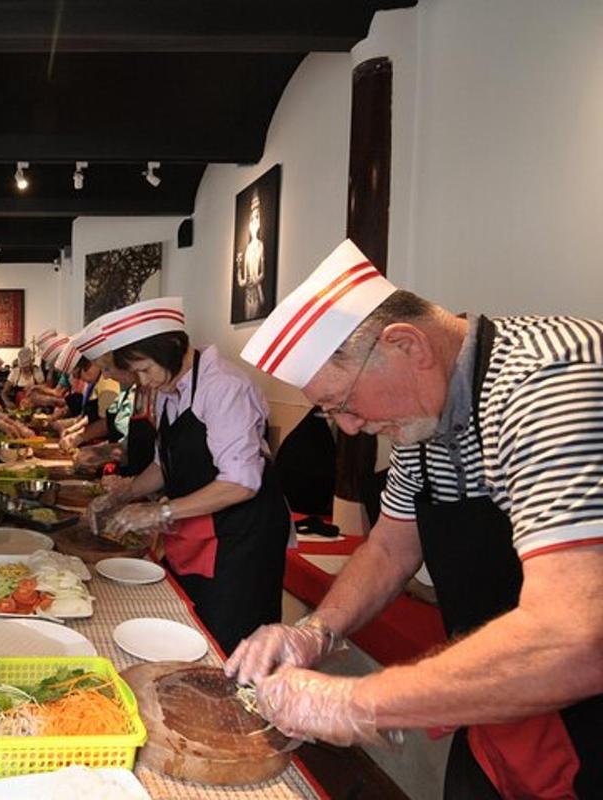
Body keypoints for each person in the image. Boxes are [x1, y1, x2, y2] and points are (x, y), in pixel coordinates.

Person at [229, 240, 603, 798]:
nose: (349, 429)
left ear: (407, 345)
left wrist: (358, 701)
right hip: (500, 708)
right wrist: (314, 631)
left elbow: (575, 639)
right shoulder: (424, 419)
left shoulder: (550, 377)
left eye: (344, 405)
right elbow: (389, 549)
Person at [86, 298, 291, 655]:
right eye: (135, 373)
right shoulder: (170, 389)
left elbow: (241, 482)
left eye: (145, 369)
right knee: (189, 627)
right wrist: (124, 493)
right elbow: (164, 465)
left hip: (241, 536)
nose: (143, 381)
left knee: (229, 641)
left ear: (173, 346)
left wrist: (160, 512)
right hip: (199, 526)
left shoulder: (225, 386)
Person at [236, 190, 266, 320]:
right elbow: (242, 281)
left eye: (257, 217)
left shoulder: (260, 245)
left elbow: (262, 274)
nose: (254, 221)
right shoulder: (247, 249)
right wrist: (238, 265)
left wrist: (256, 281)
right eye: (252, 218)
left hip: (255, 293)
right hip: (248, 295)